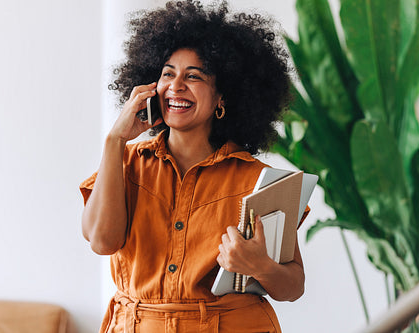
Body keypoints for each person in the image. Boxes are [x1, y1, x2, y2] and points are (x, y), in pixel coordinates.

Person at [80, 1, 307, 332]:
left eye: (194, 76)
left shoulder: (258, 180)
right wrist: (115, 140)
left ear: (221, 98)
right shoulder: (126, 161)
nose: (176, 85)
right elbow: (102, 241)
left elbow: (293, 286)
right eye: (168, 73)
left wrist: (259, 266)